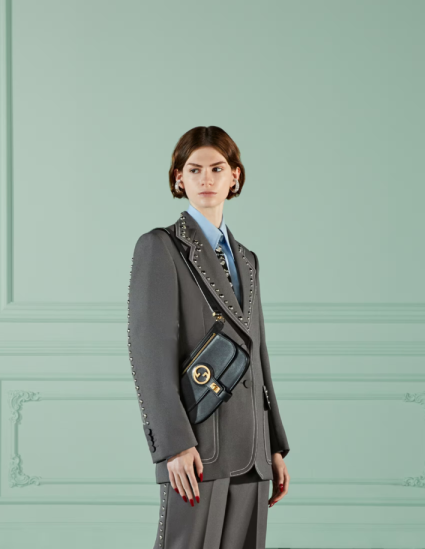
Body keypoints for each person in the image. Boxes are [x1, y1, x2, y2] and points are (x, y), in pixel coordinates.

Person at [127, 125, 290, 548]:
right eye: (194, 169)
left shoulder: (247, 260)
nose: (206, 179)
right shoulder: (160, 247)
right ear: (178, 178)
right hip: (198, 449)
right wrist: (173, 445)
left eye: (217, 169)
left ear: (235, 176)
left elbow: (258, 355)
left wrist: (273, 443)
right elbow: (149, 355)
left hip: (253, 453)